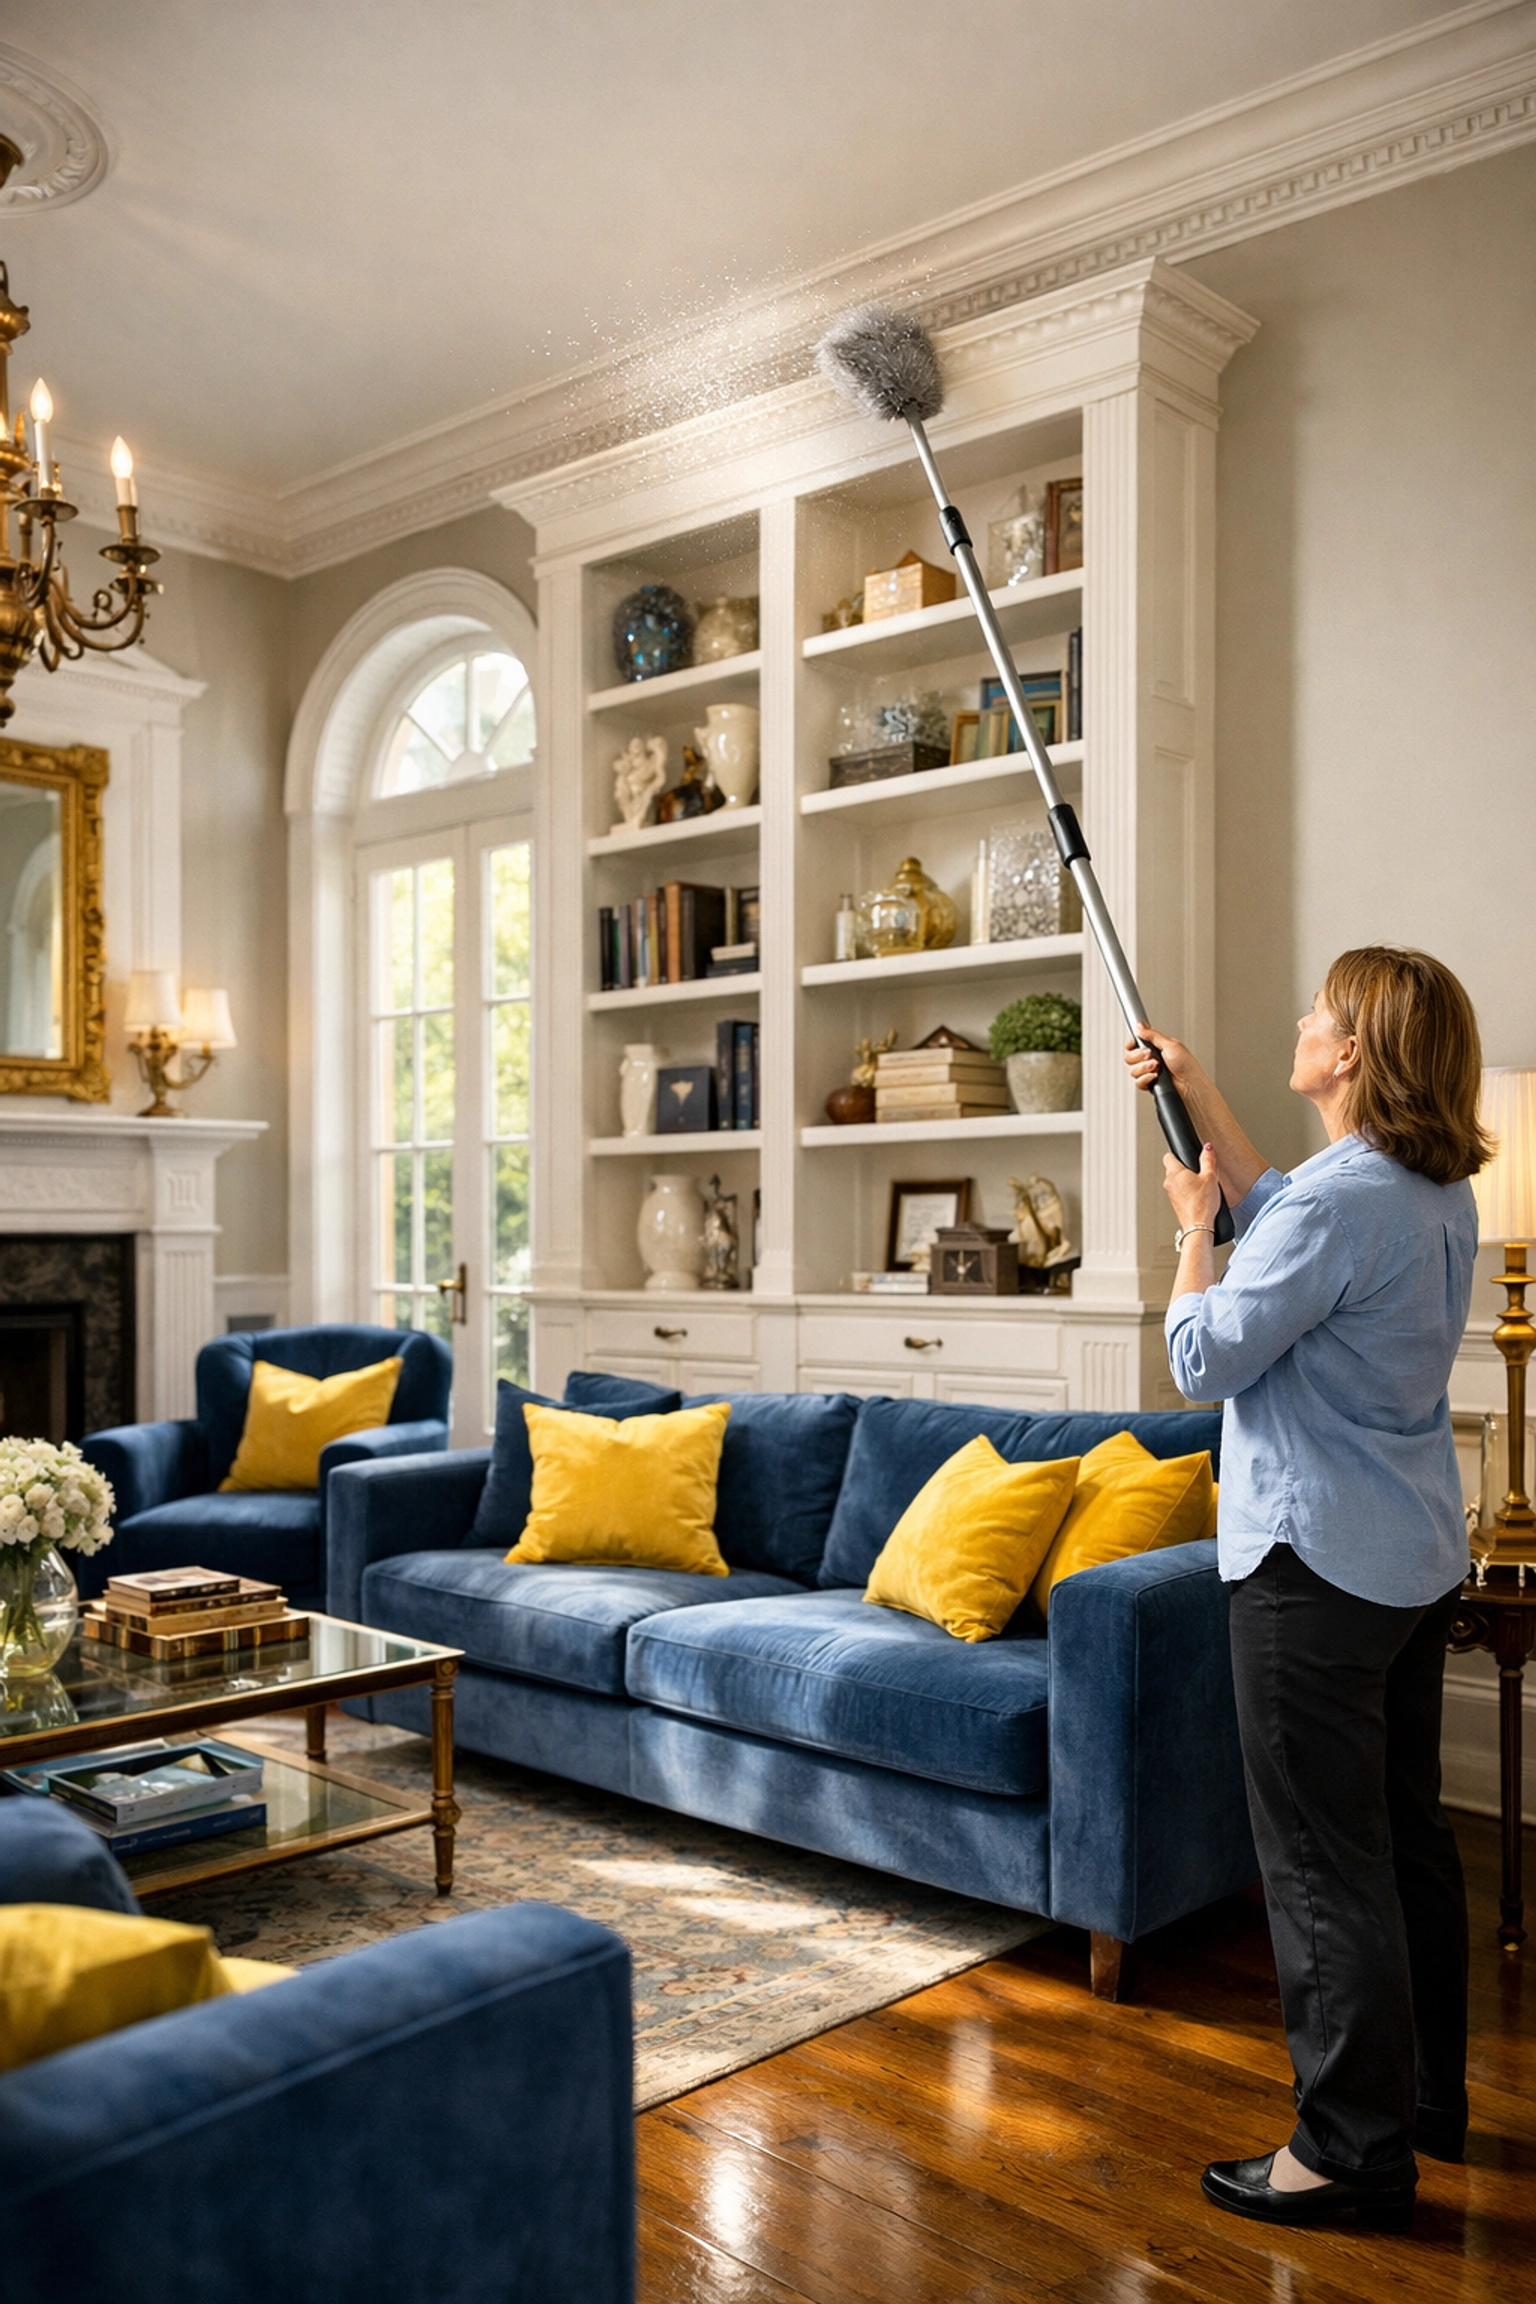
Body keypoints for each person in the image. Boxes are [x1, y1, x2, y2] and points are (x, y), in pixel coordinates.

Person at [1125, 946, 1488, 2233]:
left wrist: (1188, 1228)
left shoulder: (1344, 1204)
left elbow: (1203, 1358)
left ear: (1353, 1056)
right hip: (1403, 1564)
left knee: (1324, 1867)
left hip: (1309, 1570)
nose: (1301, 1021)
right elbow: (1285, 1203)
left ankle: (1345, 2152)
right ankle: (1422, 2107)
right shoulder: (1427, 1192)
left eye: (1319, 1017)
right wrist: (1200, 1091)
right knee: (1406, 1846)